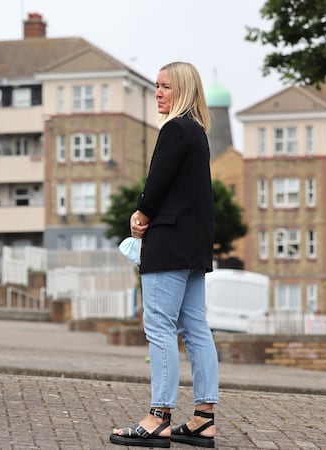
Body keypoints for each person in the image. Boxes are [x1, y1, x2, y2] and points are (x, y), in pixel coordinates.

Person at [110, 62, 218, 448]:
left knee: (159, 326)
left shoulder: (175, 130)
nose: (158, 92)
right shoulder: (199, 133)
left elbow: (158, 182)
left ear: (184, 90)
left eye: (166, 86)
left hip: (168, 243)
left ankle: (159, 417)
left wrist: (141, 214)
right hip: (193, 245)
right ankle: (204, 418)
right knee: (196, 329)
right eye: (156, 86)